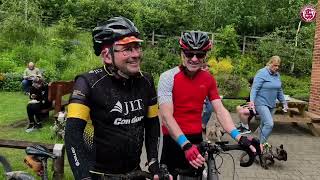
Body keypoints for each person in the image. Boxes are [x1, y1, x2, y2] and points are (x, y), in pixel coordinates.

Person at [64, 17, 163, 180]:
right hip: (97, 174)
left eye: (137, 47)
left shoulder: (146, 81)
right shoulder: (87, 82)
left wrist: (153, 161)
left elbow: (152, 124)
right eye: (127, 49)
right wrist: (82, 176)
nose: (136, 54)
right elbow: (72, 134)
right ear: (107, 55)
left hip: (133, 172)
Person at [157, 31, 258, 179]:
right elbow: (166, 116)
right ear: (182, 53)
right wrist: (185, 145)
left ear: (205, 56)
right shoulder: (168, 77)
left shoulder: (208, 79)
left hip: (196, 138)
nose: (194, 58)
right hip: (173, 139)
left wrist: (239, 136)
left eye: (200, 54)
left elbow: (220, 110)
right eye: (189, 53)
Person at [249, 55, 288, 147]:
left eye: (278, 66)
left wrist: (284, 102)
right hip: (261, 103)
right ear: (270, 63)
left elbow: (279, 90)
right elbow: (254, 89)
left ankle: (258, 143)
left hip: (271, 104)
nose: (277, 68)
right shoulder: (261, 73)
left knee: (264, 125)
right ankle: (261, 145)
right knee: (269, 124)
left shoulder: (277, 75)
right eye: (275, 65)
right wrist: (252, 102)